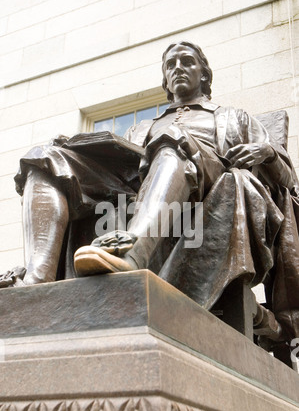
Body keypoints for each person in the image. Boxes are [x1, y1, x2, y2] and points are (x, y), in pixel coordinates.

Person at [1, 41, 299, 344]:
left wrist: (269, 153)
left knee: (172, 142)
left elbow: (289, 181)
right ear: (165, 81)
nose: (178, 68)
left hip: (208, 190)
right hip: (139, 192)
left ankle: (132, 256)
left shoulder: (235, 118)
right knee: (46, 156)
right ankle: (36, 283)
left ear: (205, 75)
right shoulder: (143, 127)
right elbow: (127, 171)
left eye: (187, 61)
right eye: (171, 65)